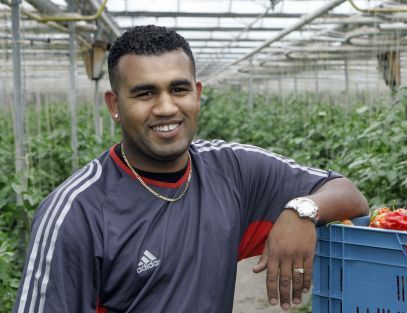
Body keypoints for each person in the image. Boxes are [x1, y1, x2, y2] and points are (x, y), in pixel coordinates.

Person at [12, 25, 368, 313]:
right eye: (145, 93)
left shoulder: (232, 169)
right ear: (114, 105)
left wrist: (301, 210)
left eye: (178, 89)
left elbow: (348, 194)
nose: (166, 107)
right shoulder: (77, 212)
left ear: (197, 94)